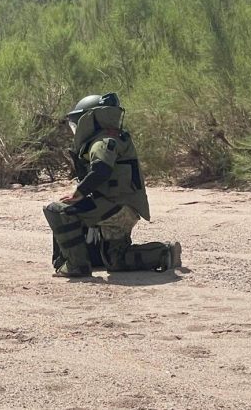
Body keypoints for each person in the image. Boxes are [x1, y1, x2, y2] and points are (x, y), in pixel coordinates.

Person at [43, 92, 182, 278]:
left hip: (113, 207)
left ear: (89, 119)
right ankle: (165, 253)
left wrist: (80, 192)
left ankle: (77, 266)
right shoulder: (116, 137)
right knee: (116, 260)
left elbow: (101, 169)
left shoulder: (100, 142)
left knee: (59, 210)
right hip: (127, 208)